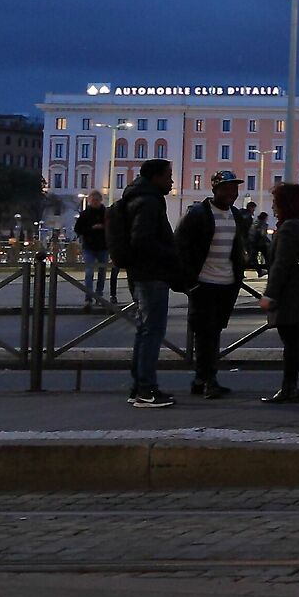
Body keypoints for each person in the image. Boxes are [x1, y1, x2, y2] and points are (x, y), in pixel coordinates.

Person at [109, 157, 191, 409]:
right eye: (168, 176)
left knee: (145, 331)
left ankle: (140, 387)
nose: (172, 181)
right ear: (155, 177)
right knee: (151, 332)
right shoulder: (148, 203)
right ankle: (146, 389)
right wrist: (171, 254)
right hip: (150, 275)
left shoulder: (140, 198)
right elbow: (143, 240)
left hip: (142, 274)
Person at [174, 171, 246, 399]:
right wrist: (189, 282)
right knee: (205, 334)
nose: (231, 194)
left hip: (227, 284)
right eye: (226, 189)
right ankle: (208, 380)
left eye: (234, 189)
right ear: (215, 190)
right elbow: (181, 246)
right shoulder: (198, 214)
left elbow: (238, 248)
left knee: (214, 333)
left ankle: (201, 379)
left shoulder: (236, 215)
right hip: (204, 283)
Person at [257, 181, 299, 404]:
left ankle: (289, 388)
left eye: (276, 203)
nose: (274, 207)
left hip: (290, 294)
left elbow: (281, 265)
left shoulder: (288, 228)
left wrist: (269, 294)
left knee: (292, 343)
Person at [71, 190, 111, 309]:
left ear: (100, 201)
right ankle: (88, 297)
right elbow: (78, 229)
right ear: (89, 201)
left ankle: (99, 294)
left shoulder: (106, 213)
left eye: (96, 201)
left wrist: (103, 228)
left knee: (102, 273)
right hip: (89, 246)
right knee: (89, 272)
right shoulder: (85, 214)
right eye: (92, 201)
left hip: (103, 246)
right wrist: (91, 228)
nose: (94, 203)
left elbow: (111, 228)